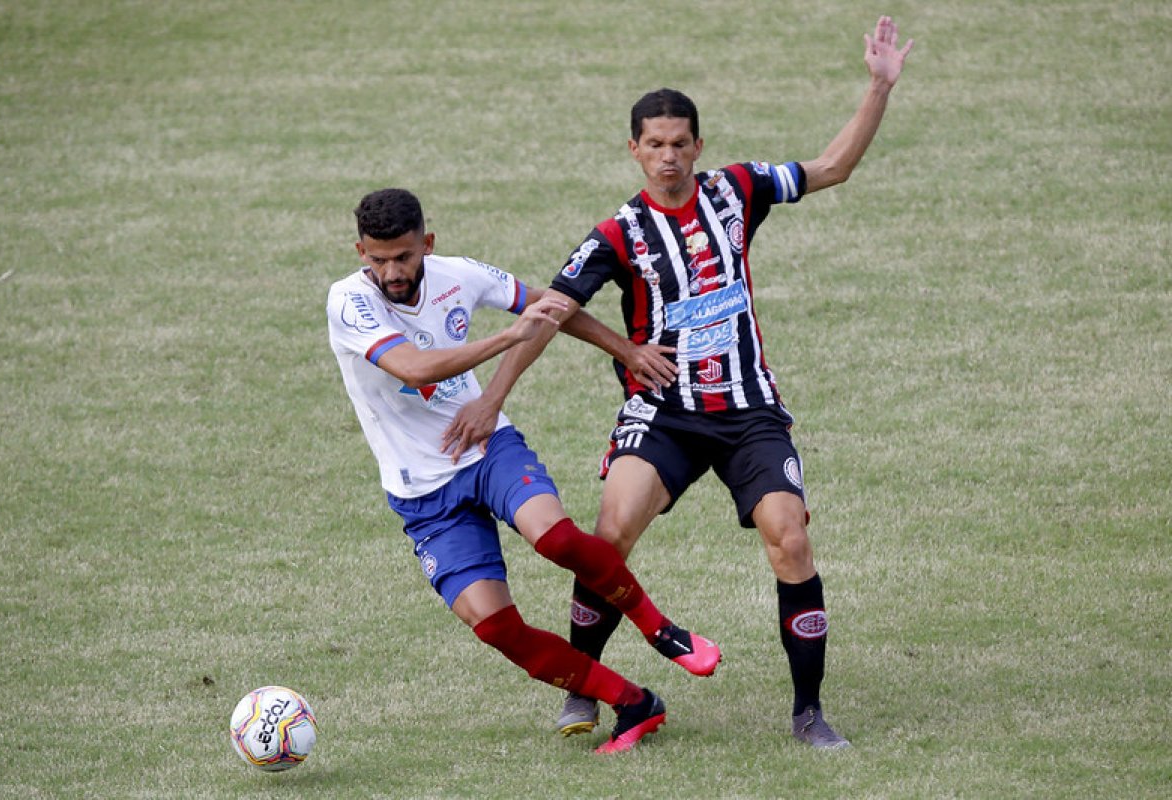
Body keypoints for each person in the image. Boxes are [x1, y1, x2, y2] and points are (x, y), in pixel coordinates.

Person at [442, 17, 914, 749]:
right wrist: (493, 396)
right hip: (663, 413)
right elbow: (547, 315)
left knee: (789, 538)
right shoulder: (616, 235)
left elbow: (831, 167)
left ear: (699, 146)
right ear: (633, 149)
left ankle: (809, 712)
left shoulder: (738, 192)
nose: (667, 157)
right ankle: (582, 692)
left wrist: (879, 87)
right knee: (610, 533)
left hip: (749, 411)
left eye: (679, 144)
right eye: (653, 145)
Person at [326, 188, 721, 754]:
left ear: (427, 245)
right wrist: (509, 335)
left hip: (487, 448)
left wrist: (627, 350)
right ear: (360, 250)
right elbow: (412, 369)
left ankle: (662, 631)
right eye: (378, 258)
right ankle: (634, 703)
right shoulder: (348, 300)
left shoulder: (458, 274)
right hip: (422, 494)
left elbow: (555, 306)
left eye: (404, 257)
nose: (391, 271)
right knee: (494, 626)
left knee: (556, 537)